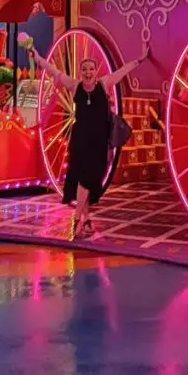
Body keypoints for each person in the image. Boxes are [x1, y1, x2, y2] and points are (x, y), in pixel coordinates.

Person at [31, 45, 149, 237]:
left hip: (99, 142)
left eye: (91, 69)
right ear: (81, 72)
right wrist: (38, 58)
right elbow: (55, 71)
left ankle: (86, 220)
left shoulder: (104, 84)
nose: (88, 72)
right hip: (80, 141)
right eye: (84, 69)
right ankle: (78, 219)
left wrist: (140, 60)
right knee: (83, 180)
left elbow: (122, 71)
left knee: (90, 181)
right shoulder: (75, 86)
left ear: (96, 71)